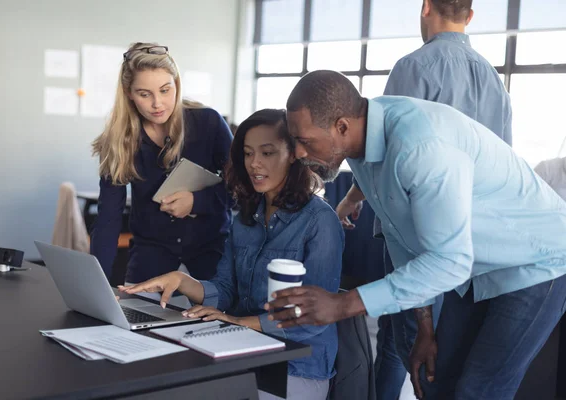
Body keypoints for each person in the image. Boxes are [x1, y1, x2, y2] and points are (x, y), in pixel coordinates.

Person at [265, 70, 566, 400]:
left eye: (305, 140)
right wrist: (425, 325)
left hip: (536, 260)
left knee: (478, 390)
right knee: (436, 381)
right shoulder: (362, 139)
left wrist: (343, 304)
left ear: (341, 126)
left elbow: (449, 262)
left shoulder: (420, 148)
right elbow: (403, 237)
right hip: (475, 265)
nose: (298, 152)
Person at [336, 1, 513, 398]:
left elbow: (382, 147)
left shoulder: (414, 66)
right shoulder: (493, 77)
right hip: (473, 239)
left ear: (425, 6)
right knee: (445, 347)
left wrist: (350, 198)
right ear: (470, 15)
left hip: (416, 227)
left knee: (405, 344)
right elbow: (502, 162)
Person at [120, 109, 344, 400]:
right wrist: (181, 280)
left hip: (296, 368)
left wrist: (239, 322)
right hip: (242, 355)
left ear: (293, 154)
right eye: (248, 153)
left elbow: (316, 315)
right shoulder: (246, 219)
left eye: (267, 153)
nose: (254, 164)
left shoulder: (319, 221)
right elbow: (225, 289)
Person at [91, 42, 233, 285]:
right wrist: (96, 284)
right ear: (128, 93)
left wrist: (197, 201)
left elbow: (244, 188)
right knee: (136, 319)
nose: (157, 103)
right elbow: (108, 220)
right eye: (144, 94)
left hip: (213, 258)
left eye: (165, 90)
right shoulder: (117, 141)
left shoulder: (208, 123)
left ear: (176, 84)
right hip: (149, 261)